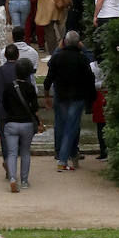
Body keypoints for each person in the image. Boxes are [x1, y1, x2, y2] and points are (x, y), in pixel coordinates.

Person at [43, 32, 96, 172]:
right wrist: (91, 99)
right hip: (77, 98)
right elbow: (90, 79)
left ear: (64, 42)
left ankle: (66, 153)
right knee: (72, 127)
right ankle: (64, 159)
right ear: (79, 43)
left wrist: (47, 96)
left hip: (61, 97)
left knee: (61, 126)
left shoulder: (57, 58)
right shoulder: (82, 59)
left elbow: (48, 79)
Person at [3, 58, 41, 192]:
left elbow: (5, 105)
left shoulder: (9, 87)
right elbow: (35, 107)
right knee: (25, 152)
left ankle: (13, 178)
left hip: (11, 123)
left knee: (12, 153)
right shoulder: (30, 88)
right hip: (26, 124)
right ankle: (24, 181)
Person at [0, 43, 20, 175]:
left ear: (5, 56)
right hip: (18, 109)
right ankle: (12, 162)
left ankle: (7, 160)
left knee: (4, 139)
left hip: (1, 110)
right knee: (18, 137)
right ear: (18, 55)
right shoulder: (21, 70)